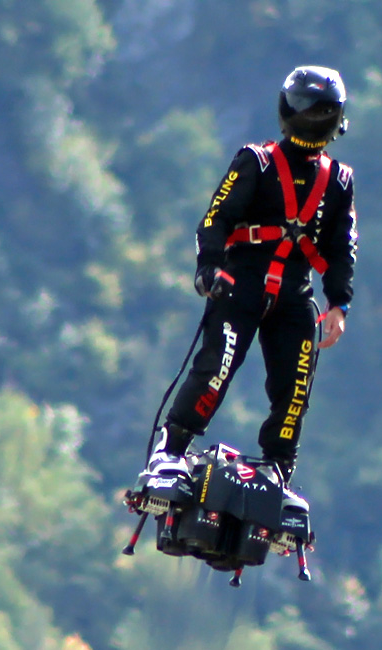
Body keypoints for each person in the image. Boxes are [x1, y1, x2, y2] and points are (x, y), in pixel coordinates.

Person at [147, 65, 358, 484]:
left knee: (294, 389)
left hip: (295, 299)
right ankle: (170, 450)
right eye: (304, 107)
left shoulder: (339, 181)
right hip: (238, 287)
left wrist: (339, 304)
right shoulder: (256, 162)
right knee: (216, 370)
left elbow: (341, 247)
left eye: (319, 109)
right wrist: (207, 268)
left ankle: (278, 468)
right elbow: (215, 220)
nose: (310, 115)